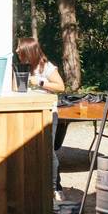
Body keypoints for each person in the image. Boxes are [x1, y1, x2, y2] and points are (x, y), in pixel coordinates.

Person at [14, 37, 66, 201]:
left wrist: (41, 81)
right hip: (29, 113)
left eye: (19, 47)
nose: (16, 50)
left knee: (48, 151)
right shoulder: (23, 67)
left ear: (29, 50)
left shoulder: (47, 67)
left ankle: (55, 188)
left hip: (49, 113)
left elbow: (61, 87)